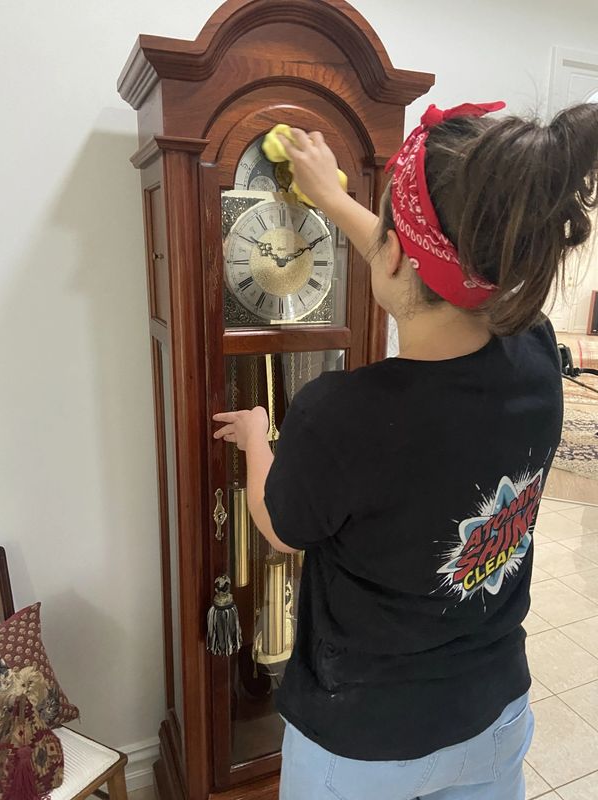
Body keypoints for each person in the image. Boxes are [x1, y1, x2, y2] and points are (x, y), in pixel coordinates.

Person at [213, 100, 598, 800]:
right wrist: (335, 199)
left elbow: (281, 526)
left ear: (394, 251)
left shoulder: (341, 416)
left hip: (362, 745)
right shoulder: (539, 352)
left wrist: (255, 438)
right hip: (493, 718)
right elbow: (433, 264)